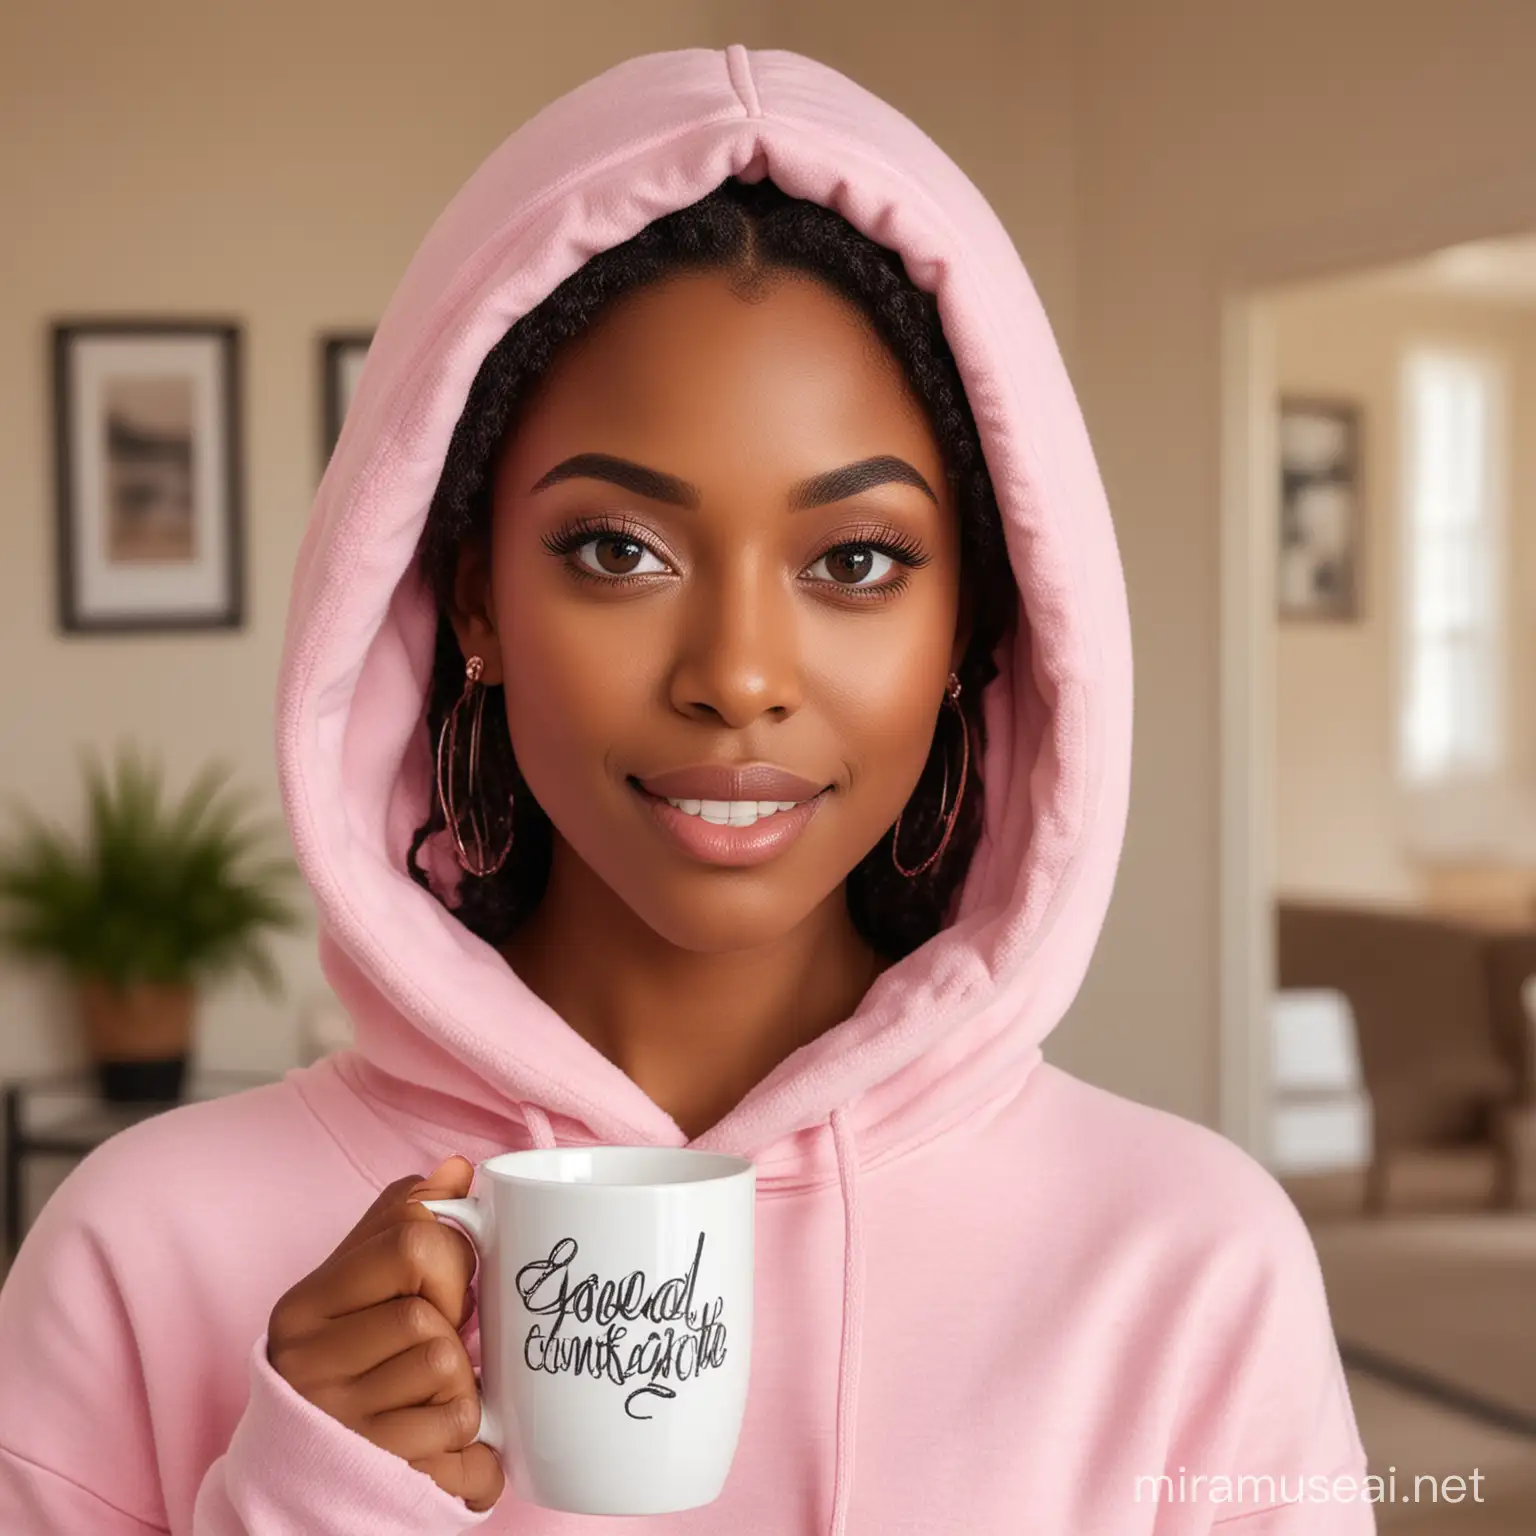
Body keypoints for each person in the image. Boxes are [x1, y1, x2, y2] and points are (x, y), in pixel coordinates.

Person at [0, 44, 1374, 1536]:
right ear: (473, 600)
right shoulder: (143, 1255)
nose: (736, 672)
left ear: (975, 628)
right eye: (617, 549)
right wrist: (298, 1503)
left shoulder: (1190, 1269)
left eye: (855, 561)